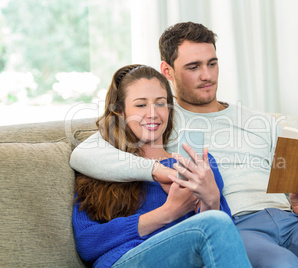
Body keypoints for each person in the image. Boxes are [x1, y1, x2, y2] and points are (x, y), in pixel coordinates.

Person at [70, 23, 298, 267]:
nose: (207, 75)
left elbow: (297, 175)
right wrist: (159, 174)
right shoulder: (165, 125)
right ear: (168, 71)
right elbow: (85, 154)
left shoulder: (264, 121)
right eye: (194, 66)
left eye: (212, 63)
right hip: (239, 227)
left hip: (293, 218)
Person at [72, 64, 252, 268]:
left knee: (217, 223)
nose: (153, 114)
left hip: (187, 260)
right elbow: (87, 242)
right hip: (123, 260)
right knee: (214, 224)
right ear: (121, 112)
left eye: (160, 103)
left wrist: (212, 201)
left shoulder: (197, 163)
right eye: (140, 105)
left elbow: (223, 245)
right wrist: (168, 212)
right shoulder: (101, 163)